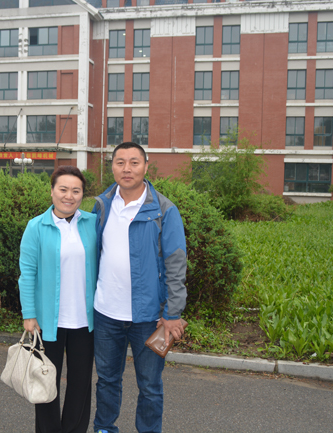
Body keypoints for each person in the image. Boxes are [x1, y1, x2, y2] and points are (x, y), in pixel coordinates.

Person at [92, 142, 187, 433]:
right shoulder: (102, 205)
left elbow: (175, 264)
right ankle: (104, 428)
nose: (127, 169)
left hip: (148, 316)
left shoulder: (164, 210)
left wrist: (172, 313)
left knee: (150, 386)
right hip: (106, 313)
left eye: (134, 162)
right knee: (107, 380)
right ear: (112, 167)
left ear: (146, 166)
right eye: (120, 162)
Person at [18, 166, 98, 433]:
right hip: (47, 322)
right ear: (52, 191)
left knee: (80, 384)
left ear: (83, 194)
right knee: (46, 383)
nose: (69, 196)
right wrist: (29, 314)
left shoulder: (91, 223)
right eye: (63, 189)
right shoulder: (36, 226)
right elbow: (27, 274)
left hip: (84, 321)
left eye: (76, 191)